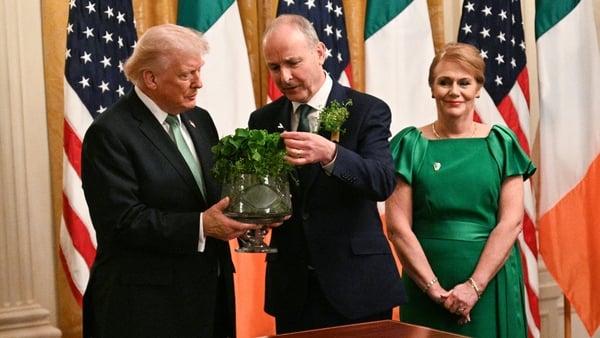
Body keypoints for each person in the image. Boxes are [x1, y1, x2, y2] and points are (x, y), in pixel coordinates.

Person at [80, 24, 265, 338]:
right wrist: (201, 226)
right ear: (151, 78)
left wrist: (253, 213)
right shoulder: (110, 132)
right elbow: (121, 222)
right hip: (147, 306)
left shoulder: (199, 119)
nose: (199, 83)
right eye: (186, 75)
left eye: (198, 71)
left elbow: (211, 196)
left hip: (209, 294)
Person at [248, 14, 407, 333]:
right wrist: (255, 213)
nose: (286, 77)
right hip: (293, 290)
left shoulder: (366, 110)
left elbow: (382, 182)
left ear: (320, 52)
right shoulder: (263, 120)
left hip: (358, 287)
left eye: (293, 62)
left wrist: (332, 155)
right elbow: (264, 191)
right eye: (275, 67)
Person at [385, 42, 536, 337]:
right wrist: (434, 290)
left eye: (464, 82)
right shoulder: (410, 145)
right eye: (444, 82)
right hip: (424, 284)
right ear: (432, 88)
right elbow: (397, 228)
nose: (454, 91)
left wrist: (473, 287)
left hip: (491, 284)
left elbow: (511, 222)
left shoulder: (501, 143)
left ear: (478, 87)